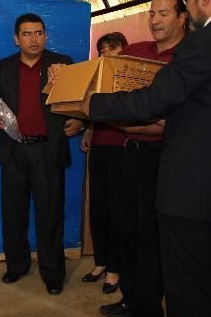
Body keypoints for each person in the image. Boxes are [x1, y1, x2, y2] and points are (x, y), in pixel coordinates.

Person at [86, 0, 211, 317]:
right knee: (204, 273)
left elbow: (153, 101)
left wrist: (92, 104)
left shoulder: (202, 43)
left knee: (187, 285)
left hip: (190, 189)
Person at [0, 13, 84, 295]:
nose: (33, 39)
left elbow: (79, 100)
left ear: (45, 36)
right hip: (14, 150)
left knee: (50, 214)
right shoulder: (4, 67)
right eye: (27, 34)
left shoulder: (62, 64)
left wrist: (80, 121)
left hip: (47, 151)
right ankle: (16, 265)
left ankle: (52, 272)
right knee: (13, 213)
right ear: (16, 39)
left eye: (38, 33)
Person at [80, 32, 128, 295]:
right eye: (102, 49)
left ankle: (115, 269)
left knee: (117, 210)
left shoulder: (130, 79)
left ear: (124, 51)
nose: (106, 53)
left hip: (122, 148)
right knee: (98, 209)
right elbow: (92, 112)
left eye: (112, 47)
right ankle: (100, 262)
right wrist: (88, 130)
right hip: (99, 147)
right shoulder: (97, 79)